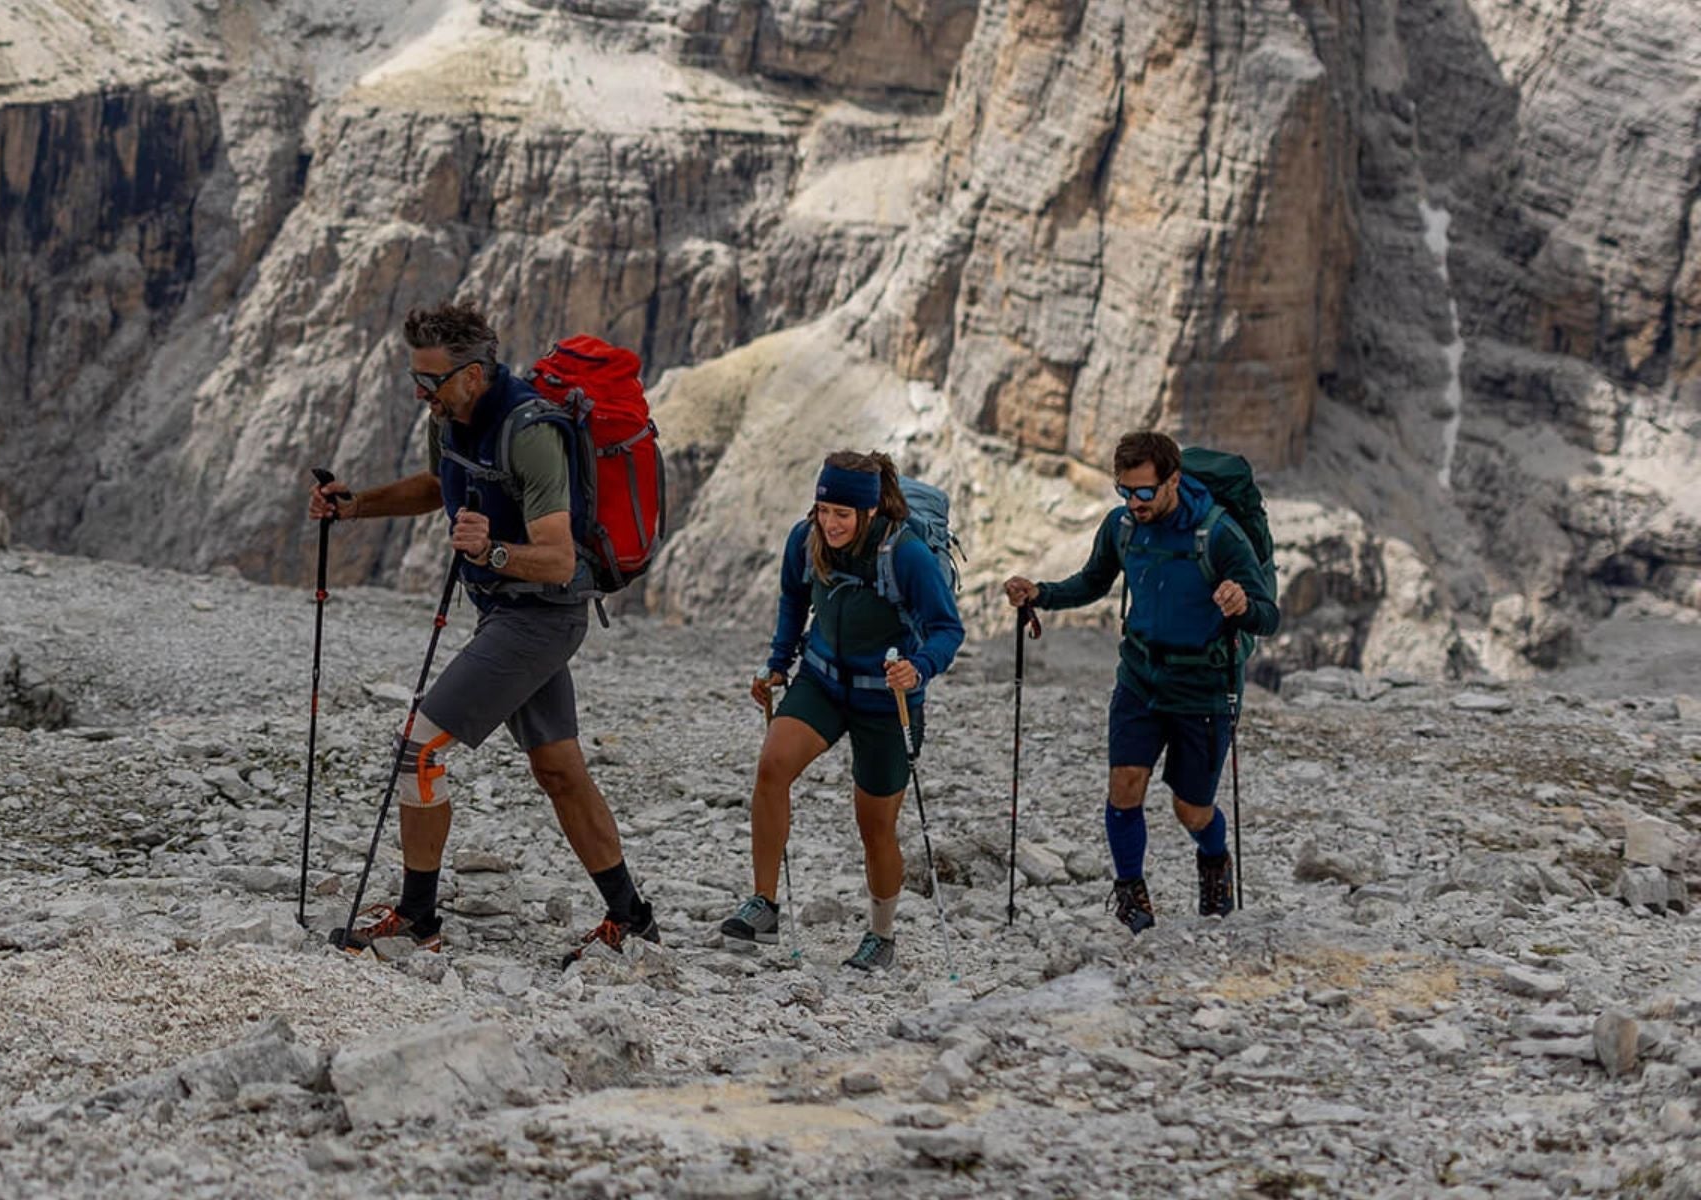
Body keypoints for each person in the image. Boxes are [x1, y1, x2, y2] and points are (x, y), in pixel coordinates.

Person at [307, 301, 659, 967]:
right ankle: (632, 918)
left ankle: (417, 918)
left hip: (543, 614)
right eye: (415, 377)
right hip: (506, 611)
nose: (420, 392)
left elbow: (557, 558)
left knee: (417, 751)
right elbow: (438, 486)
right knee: (558, 769)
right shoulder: (453, 418)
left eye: (430, 380)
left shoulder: (527, 432)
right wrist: (356, 507)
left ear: (472, 374)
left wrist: (492, 552)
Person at [1002, 431, 1280, 933]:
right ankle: (1132, 898)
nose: (1134, 502)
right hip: (1140, 676)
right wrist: (1039, 593)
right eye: (1125, 491)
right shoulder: (1122, 527)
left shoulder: (1219, 535)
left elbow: (1268, 616)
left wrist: (1243, 605)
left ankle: (1214, 860)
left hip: (1205, 686)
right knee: (1124, 787)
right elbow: (1092, 582)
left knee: (1191, 811)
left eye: (1144, 492)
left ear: (1174, 480)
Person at [717, 452, 964, 972]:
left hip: (886, 698)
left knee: (875, 825)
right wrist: (778, 664)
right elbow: (793, 598)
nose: (829, 523)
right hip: (822, 682)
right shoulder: (805, 539)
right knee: (772, 767)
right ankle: (764, 903)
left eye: (842, 514)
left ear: (868, 513)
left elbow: (947, 628)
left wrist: (919, 668)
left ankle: (882, 934)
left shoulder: (908, 555)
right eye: (823, 509)